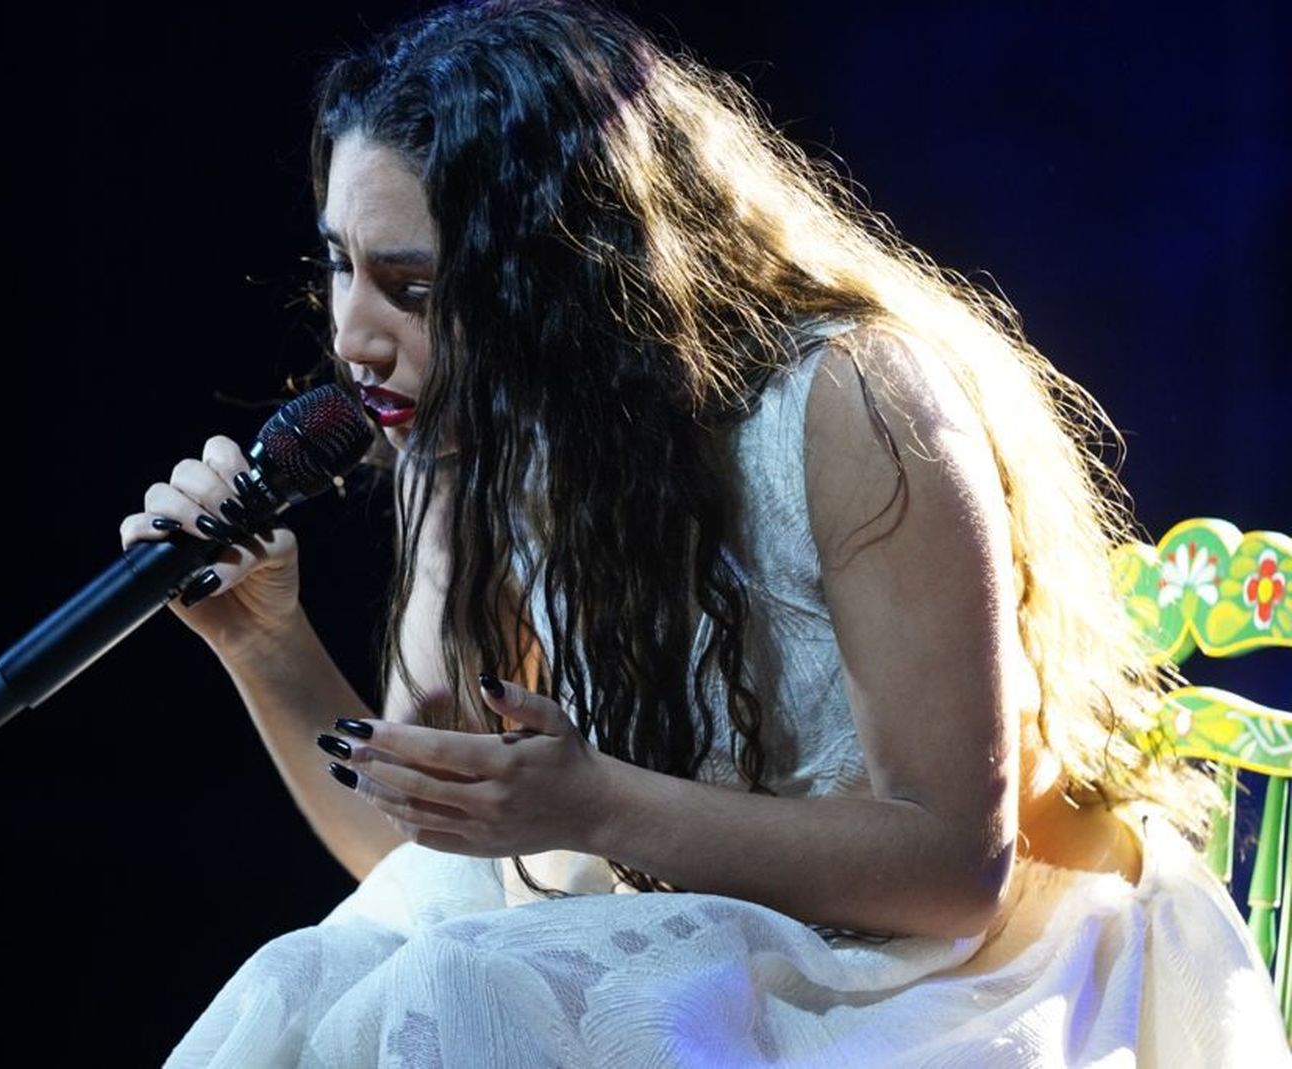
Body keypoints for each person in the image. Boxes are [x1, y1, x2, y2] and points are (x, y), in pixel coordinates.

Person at [121, 1, 1287, 1064]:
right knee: (320, 977)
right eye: (339, 267)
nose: (353, 336)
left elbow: (951, 875)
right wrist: (263, 640)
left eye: (414, 290)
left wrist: (594, 805)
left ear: (566, 263)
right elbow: (426, 864)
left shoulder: (850, 401)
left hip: (950, 979)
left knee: (469, 984)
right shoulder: (489, 436)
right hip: (698, 948)